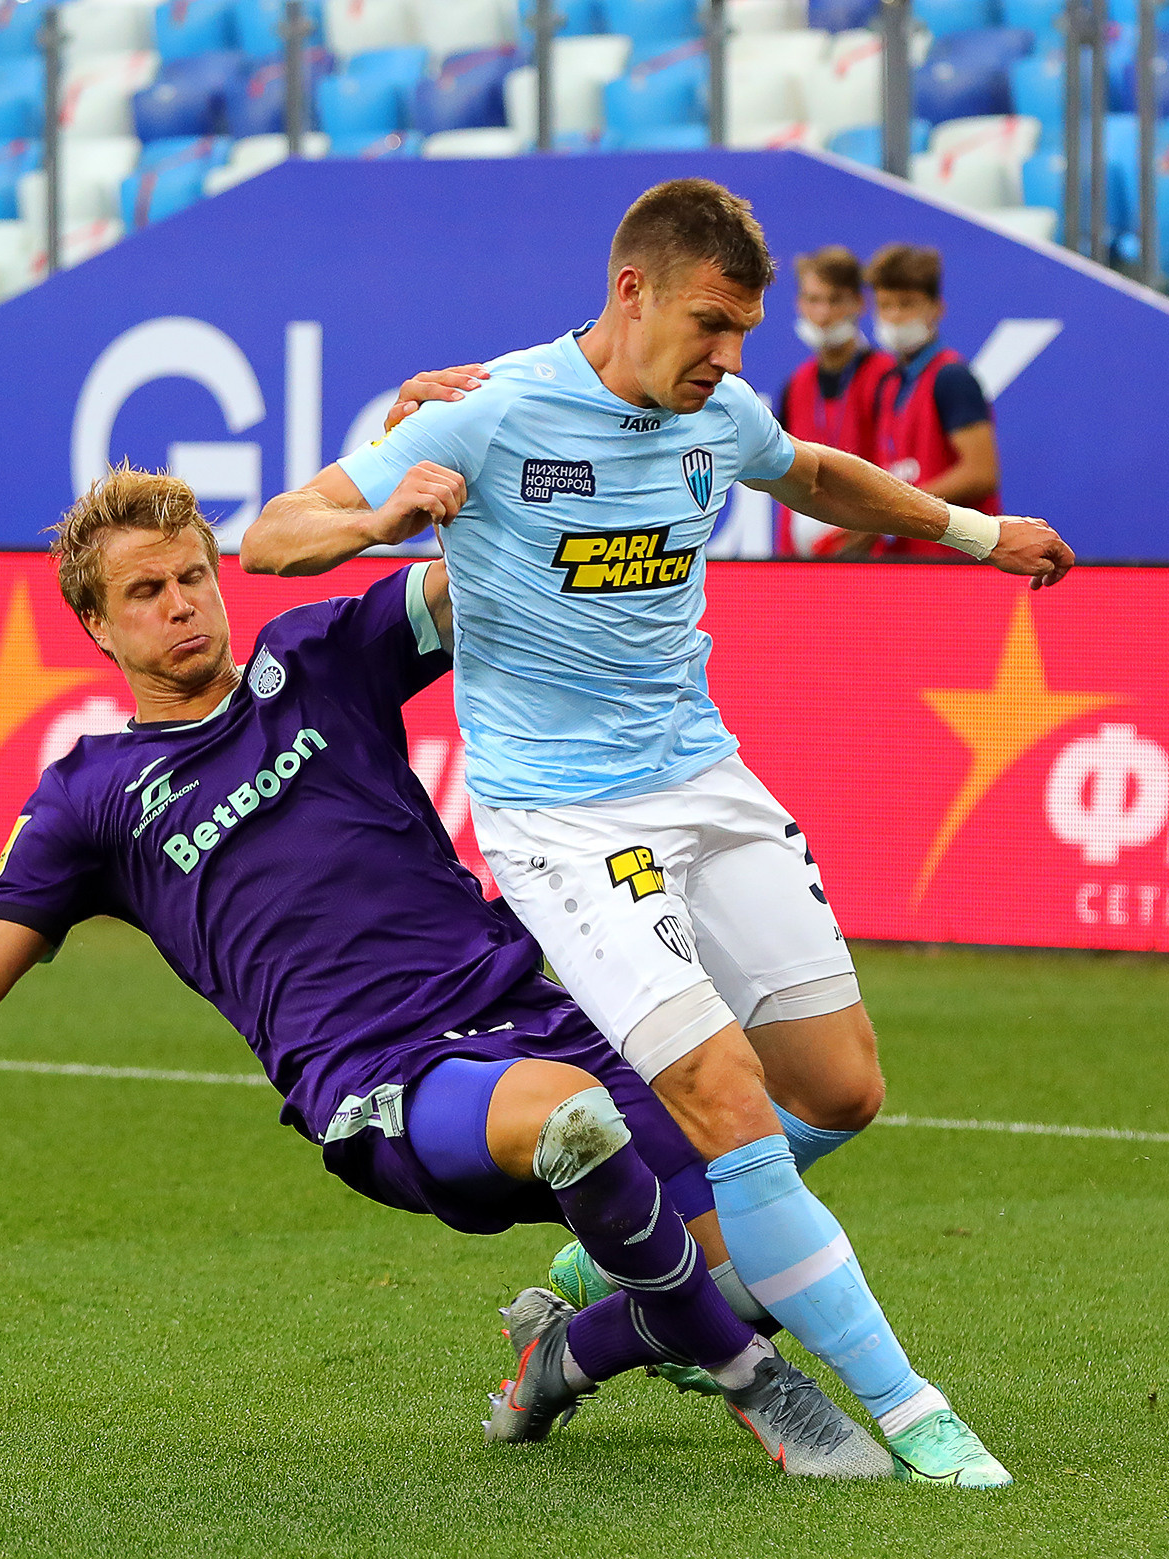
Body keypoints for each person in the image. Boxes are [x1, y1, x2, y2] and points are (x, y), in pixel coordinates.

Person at [0, 468, 892, 1481]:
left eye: (192, 575)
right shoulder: (88, 800)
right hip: (379, 1080)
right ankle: (758, 1392)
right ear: (95, 625)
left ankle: (565, 1351)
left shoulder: (319, 658)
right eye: (145, 592)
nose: (181, 603)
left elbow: (470, 583)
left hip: (523, 1008)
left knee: (755, 1265)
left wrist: (472, 455)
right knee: (578, 1129)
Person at [240, 177, 1075, 1488]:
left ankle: (597, 1274)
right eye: (712, 323)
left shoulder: (716, 409)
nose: (732, 358)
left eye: (745, 330)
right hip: (561, 821)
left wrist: (973, 529)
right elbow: (270, 535)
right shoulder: (494, 407)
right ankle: (913, 1414)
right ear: (632, 290)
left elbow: (810, 472)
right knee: (728, 1099)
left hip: (704, 780)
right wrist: (380, 521)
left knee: (841, 1088)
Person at [856, 242, 1003, 561]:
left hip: (954, 564)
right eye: (885, 305)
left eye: (907, 304)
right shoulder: (889, 383)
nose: (894, 316)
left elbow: (981, 472)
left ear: (937, 308)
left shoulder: (952, 378)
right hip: (905, 562)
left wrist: (900, 506)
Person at [772, 245, 891, 558]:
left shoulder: (886, 377)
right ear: (799, 304)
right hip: (803, 562)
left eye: (835, 300)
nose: (823, 314)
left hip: (873, 559)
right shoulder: (795, 385)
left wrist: (879, 522)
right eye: (813, 300)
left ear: (858, 303)